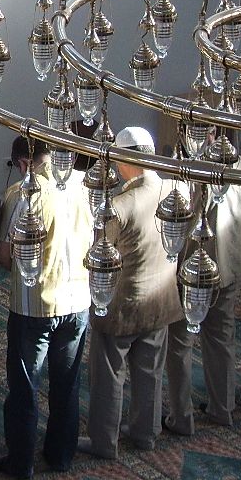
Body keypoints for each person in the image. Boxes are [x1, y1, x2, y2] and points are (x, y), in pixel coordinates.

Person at [0, 134, 92, 478]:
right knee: (67, 383)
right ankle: (61, 455)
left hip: (34, 305)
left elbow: (4, 255)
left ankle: (21, 462)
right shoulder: (85, 184)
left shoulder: (21, 194)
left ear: (23, 163)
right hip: (77, 300)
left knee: (25, 385)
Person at [81, 126, 181, 459]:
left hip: (122, 304)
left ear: (125, 161)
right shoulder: (175, 189)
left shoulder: (120, 206)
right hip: (161, 297)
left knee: (109, 375)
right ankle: (145, 434)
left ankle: (104, 442)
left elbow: (99, 255)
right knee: (150, 370)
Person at [164, 150, 241, 433]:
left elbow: (183, 221)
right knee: (221, 338)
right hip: (229, 266)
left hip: (195, 271)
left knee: (180, 342)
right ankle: (223, 408)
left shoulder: (196, 171)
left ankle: (181, 417)